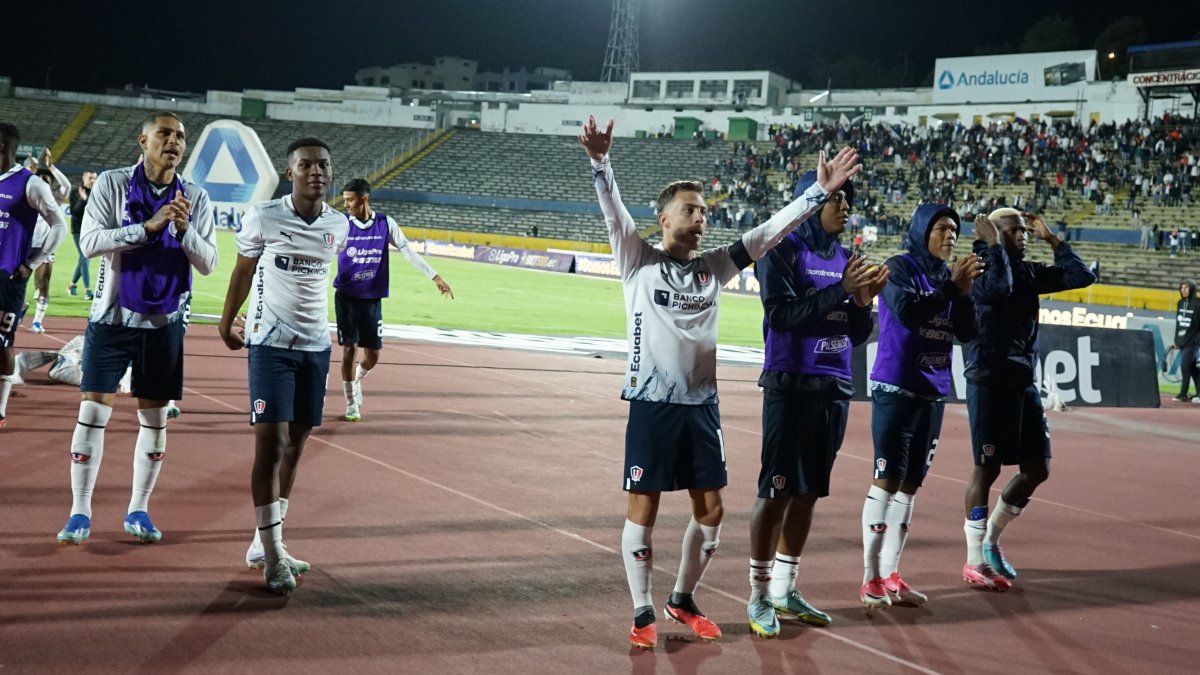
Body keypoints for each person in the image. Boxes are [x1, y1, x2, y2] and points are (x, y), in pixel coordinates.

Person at [578, 115, 862, 649]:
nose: (701, 217)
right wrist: (600, 162)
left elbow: (769, 233)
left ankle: (681, 599)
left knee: (711, 514)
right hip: (652, 404)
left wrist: (817, 194)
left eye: (705, 210)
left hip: (701, 409)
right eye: (690, 209)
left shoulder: (717, 266)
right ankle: (642, 611)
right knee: (644, 508)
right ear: (663, 218)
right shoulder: (636, 260)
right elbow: (612, 211)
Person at [55, 112, 217, 545]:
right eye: (165, 134)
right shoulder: (111, 184)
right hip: (110, 318)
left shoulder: (196, 197)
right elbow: (89, 243)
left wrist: (183, 231)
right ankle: (79, 512)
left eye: (181, 136)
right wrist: (146, 228)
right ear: (142, 140)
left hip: (164, 323)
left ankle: (139, 510)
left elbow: (209, 262)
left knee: (155, 420)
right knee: (92, 414)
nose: (174, 142)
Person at [746, 171, 887, 637]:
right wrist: (842, 290)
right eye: (835, 197)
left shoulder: (847, 257)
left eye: (848, 198)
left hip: (834, 389)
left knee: (809, 494)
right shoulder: (781, 249)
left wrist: (864, 302)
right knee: (777, 491)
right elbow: (781, 316)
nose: (845, 205)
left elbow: (855, 334)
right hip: (790, 386)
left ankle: (787, 588)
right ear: (810, 203)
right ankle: (760, 594)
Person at [218, 137, 346, 594]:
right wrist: (225, 320)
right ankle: (273, 557)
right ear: (289, 171)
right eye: (307, 165)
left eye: (323, 165)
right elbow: (243, 270)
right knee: (269, 444)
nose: (317, 171)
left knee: (296, 443)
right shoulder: (264, 216)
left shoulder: (339, 224)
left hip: (316, 347)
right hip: (269, 344)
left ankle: (263, 542)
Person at [961, 208, 1095, 590]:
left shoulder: (1029, 271)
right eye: (1013, 230)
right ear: (993, 232)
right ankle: (972, 559)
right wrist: (991, 246)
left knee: (1038, 468)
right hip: (988, 379)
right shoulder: (978, 266)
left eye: (1024, 230)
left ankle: (990, 543)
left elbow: (1081, 276)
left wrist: (1052, 240)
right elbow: (998, 286)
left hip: (1023, 381)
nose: (1022, 235)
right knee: (985, 470)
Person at [858, 204, 981, 611]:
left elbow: (968, 332)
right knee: (887, 481)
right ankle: (870, 577)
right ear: (921, 230)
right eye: (942, 228)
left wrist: (960, 292)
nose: (950, 236)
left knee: (911, 486)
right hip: (897, 387)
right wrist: (950, 289)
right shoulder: (899, 267)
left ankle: (892, 572)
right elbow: (910, 313)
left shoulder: (950, 276)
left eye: (955, 230)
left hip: (934, 391)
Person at [335, 178, 452, 422]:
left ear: (364, 199)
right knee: (349, 349)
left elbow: (407, 251)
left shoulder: (385, 223)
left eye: (350, 200)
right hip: (346, 296)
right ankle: (350, 402)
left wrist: (435, 277)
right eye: (344, 200)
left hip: (372, 299)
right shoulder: (341, 224)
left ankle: (358, 377)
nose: (345, 205)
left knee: (373, 356)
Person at [0, 123, 67, 429]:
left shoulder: (29, 184)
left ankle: (0, 409)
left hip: (7, 277)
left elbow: (58, 225)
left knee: (2, 344)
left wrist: (33, 262)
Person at [26, 148, 70, 334]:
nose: (44, 183)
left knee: (43, 283)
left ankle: (37, 321)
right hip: (24, 246)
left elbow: (66, 187)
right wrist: (31, 172)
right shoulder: (27, 195)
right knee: (16, 283)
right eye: (41, 180)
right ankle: (19, 307)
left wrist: (51, 167)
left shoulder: (55, 200)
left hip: (44, 248)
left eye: (48, 181)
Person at [67, 169, 98, 299]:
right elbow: (75, 212)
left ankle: (72, 285)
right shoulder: (75, 192)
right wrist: (83, 200)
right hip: (78, 229)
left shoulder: (96, 192)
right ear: (84, 178)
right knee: (85, 256)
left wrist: (86, 200)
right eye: (90, 178)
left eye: (95, 178)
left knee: (84, 258)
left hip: (91, 229)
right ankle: (87, 290)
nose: (93, 181)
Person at [1173, 279, 1199, 402]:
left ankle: (1183, 393)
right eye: (1182, 288)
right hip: (1183, 341)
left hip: (1193, 341)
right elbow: (1179, 324)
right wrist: (1177, 340)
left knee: (1184, 365)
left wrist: (1197, 340)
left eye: (1186, 288)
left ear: (1192, 289)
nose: (1183, 290)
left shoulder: (1198, 304)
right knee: (1192, 368)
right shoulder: (1179, 303)